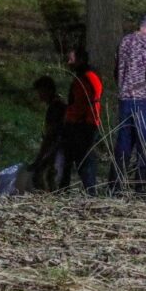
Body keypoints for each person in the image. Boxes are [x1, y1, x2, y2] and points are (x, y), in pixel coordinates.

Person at [110, 16, 146, 194]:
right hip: (143, 99)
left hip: (124, 99)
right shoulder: (145, 44)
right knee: (144, 144)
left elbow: (116, 70)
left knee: (123, 143)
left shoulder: (124, 41)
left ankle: (115, 185)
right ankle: (142, 186)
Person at [60, 47, 102, 195]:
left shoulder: (88, 78)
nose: (68, 62)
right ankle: (64, 190)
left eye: (71, 59)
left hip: (84, 126)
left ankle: (91, 193)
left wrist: (77, 120)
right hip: (77, 124)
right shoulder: (81, 77)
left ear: (80, 60)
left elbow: (88, 102)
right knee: (70, 159)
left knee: (84, 160)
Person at [28, 76, 66, 192]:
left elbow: (51, 134)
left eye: (40, 92)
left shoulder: (56, 107)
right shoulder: (59, 104)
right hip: (58, 146)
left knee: (48, 175)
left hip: (58, 146)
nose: (39, 95)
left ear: (48, 90)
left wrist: (40, 158)